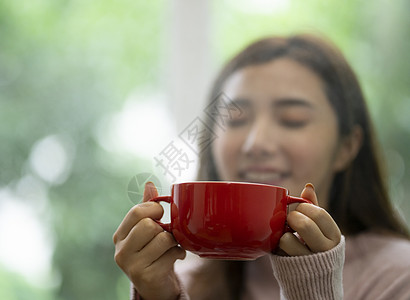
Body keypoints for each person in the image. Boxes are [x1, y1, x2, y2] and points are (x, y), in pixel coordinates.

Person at [113, 34, 410, 300]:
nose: (256, 142)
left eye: (293, 119)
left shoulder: (398, 276)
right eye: (236, 120)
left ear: (346, 147)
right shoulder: (183, 282)